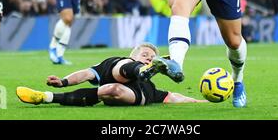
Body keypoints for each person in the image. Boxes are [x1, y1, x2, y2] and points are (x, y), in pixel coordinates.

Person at [16, 43, 206, 106]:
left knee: (112, 88)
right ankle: (140, 70)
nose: (148, 57)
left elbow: (172, 97)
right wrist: (64, 81)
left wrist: (199, 102)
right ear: (134, 55)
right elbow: (85, 74)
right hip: (120, 74)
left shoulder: (150, 88)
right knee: (119, 72)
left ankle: (47, 98)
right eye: (145, 55)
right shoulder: (118, 61)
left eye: (152, 58)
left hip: (133, 93)